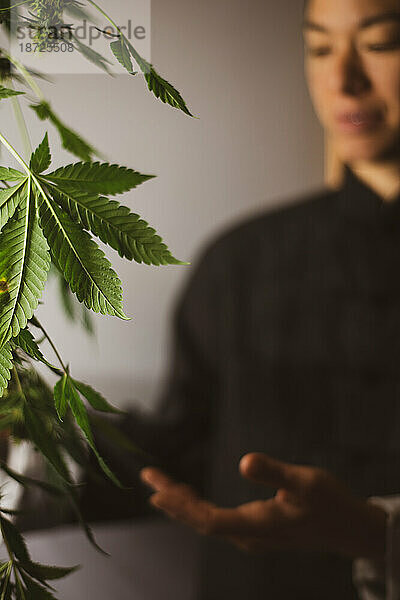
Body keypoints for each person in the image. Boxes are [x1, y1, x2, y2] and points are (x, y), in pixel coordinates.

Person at [21, 0, 400, 598]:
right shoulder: (242, 260)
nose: (342, 79)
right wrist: (32, 435)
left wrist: (381, 533)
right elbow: (176, 452)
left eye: (380, 44)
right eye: (321, 49)